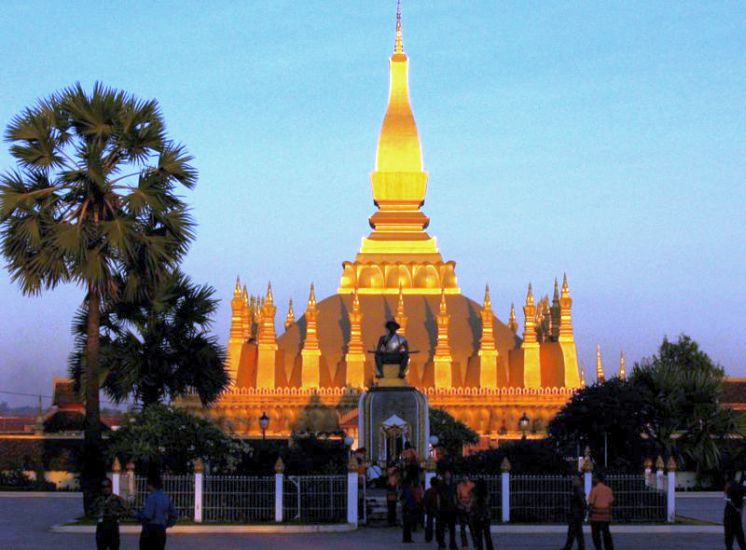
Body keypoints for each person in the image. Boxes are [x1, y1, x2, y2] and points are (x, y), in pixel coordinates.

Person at [136, 473, 177, 550]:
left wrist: (136, 515)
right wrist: (166, 525)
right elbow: (174, 515)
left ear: (151, 485)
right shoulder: (166, 497)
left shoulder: (152, 497)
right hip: (161, 530)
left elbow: (148, 516)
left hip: (150, 530)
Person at [92, 478, 129, 550]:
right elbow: (91, 511)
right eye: (103, 487)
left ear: (111, 487)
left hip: (113, 526)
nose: (106, 489)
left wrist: (118, 514)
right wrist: (97, 515)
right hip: (101, 526)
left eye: (108, 486)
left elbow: (128, 511)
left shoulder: (117, 499)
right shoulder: (98, 500)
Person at [587, 473, 614, 550]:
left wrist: (589, 514)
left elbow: (591, 503)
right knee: (606, 533)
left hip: (596, 516)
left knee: (596, 534)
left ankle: (598, 548)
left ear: (597, 479)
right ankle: (608, 548)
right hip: (605, 515)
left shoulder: (594, 489)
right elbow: (610, 503)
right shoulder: (608, 489)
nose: (593, 480)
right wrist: (610, 514)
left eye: (594, 478)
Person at [436, 469, 458, 550]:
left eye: (449, 474)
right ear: (444, 475)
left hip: (451, 509)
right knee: (441, 529)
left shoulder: (453, 485)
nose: (448, 475)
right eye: (446, 474)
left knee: (452, 529)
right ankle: (441, 544)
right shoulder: (440, 485)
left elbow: (455, 497)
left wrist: (455, 506)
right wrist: (438, 508)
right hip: (443, 509)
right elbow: (438, 497)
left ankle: (452, 544)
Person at [563, 475, 586, 550]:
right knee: (577, 532)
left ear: (579, 481)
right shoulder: (576, 489)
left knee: (572, 532)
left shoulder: (578, 490)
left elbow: (582, 502)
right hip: (576, 514)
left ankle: (569, 547)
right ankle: (580, 547)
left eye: (575, 480)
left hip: (576, 514)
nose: (573, 481)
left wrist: (581, 512)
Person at [469, 479, 493, 550]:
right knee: (487, 535)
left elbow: (473, 504)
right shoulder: (486, 493)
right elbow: (487, 504)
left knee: (479, 536)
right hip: (485, 517)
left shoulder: (475, 493)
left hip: (478, 517)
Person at [724, 479, 746, 549]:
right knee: (740, 537)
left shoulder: (731, 493)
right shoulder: (740, 491)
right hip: (735, 515)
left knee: (729, 538)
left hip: (730, 515)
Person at [456, 473, 475, 548]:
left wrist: (469, 505)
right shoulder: (459, 486)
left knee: (472, 526)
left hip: (470, 506)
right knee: (462, 527)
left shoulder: (472, 485)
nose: (465, 478)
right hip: (462, 507)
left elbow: (473, 496)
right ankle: (464, 544)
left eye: (466, 477)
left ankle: (475, 542)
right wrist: (464, 505)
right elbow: (458, 498)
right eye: (463, 477)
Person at [400, 477, 422, 543]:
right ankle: (408, 538)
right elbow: (409, 499)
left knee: (406, 525)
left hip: (405, 508)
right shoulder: (408, 490)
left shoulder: (404, 489)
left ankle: (406, 538)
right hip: (408, 508)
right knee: (408, 525)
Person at [424, 477, 440, 543]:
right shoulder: (439, 491)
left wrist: (427, 508)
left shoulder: (428, 491)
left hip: (430, 509)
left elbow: (425, 501)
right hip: (437, 509)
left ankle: (428, 538)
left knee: (429, 524)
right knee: (438, 524)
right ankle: (438, 537)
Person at [386, 461, 400, 526]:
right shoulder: (395, 471)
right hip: (392, 488)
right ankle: (392, 520)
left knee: (391, 507)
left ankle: (391, 520)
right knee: (392, 507)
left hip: (391, 488)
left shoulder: (389, 470)